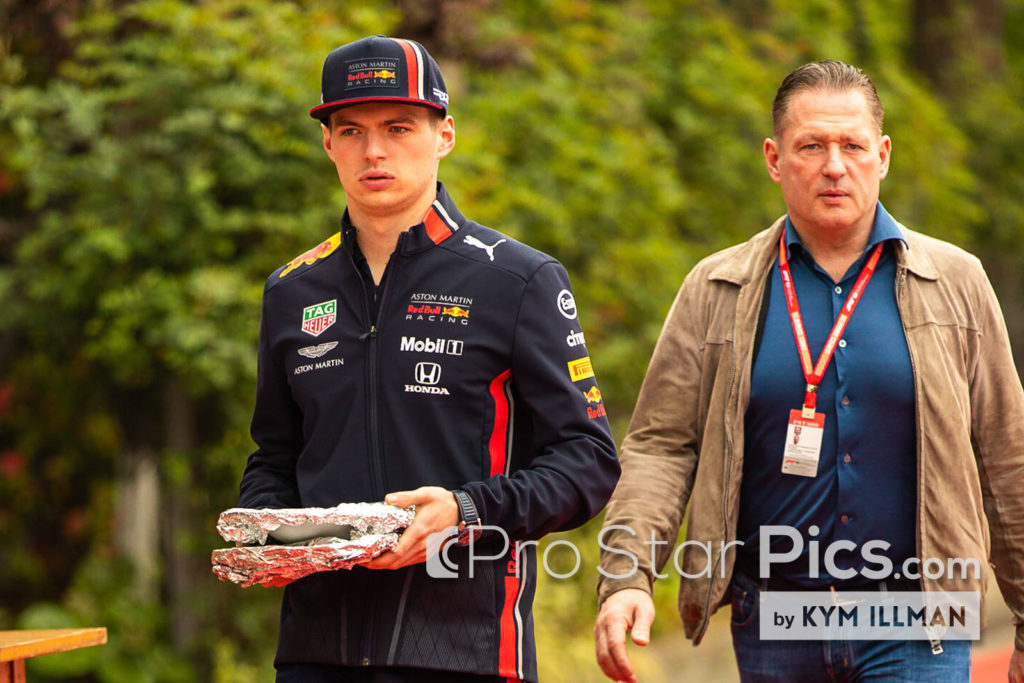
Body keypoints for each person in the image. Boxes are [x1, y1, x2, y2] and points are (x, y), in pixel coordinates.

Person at [593, 60, 1024, 683]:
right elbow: (662, 448)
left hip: (917, 621)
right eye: (811, 146)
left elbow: (1007, 456)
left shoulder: (956, 283)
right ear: (774, 158)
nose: (834, 165)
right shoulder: (716, 287)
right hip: (772, 621)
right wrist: (626, 576)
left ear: (882, 155)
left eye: (851, 145)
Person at [237, 35, 619, 682]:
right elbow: (274, 456)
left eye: (398, 126)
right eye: (350, 129)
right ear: (327, 143)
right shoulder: (291, 290)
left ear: (444, 134)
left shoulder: (520, 281)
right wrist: (269, 534)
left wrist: (466, 513)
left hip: (463, 651)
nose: (374, 150)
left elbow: (589, 462)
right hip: (314, 653)